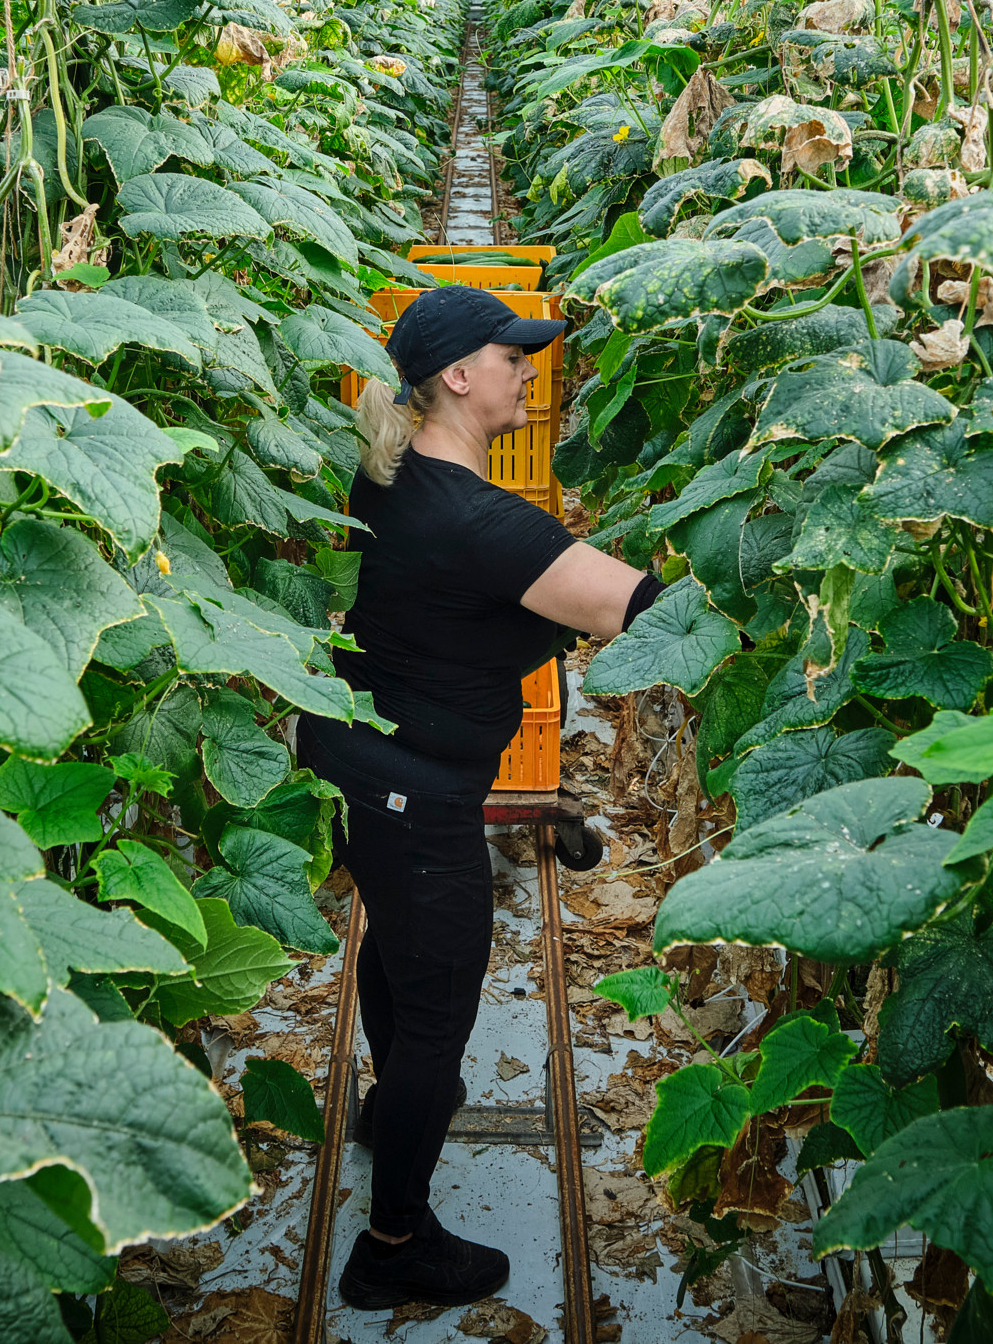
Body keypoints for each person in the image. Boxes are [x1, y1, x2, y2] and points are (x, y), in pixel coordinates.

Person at [298, 284, 666, 1311]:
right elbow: (631, 608)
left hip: (363, 765)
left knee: (394, 950)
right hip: (422, 795)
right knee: (438, 1017)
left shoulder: (388, 473)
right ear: (459, 376)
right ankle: (393, 1243)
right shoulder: (480, 520)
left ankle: (384, 1114)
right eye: (514, 354)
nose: (528, 368)